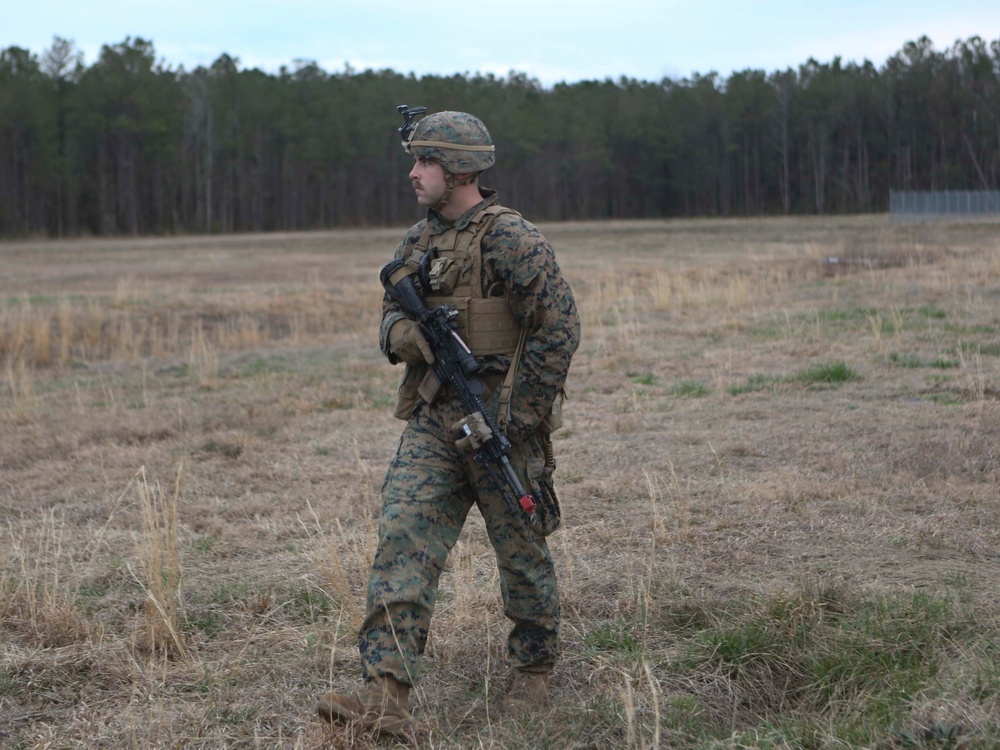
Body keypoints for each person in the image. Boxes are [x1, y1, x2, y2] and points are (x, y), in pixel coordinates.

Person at [317, 109, 580, 738]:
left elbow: (559, 330)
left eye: (424, 162)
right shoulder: (418, 241)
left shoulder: (512, 239)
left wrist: (515, 420)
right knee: (403, 537)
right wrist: (405, 332)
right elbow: (389, 311)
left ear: (457, 169)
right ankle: (386, 692)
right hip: (436, 420)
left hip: (502, 425)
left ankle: (533, 672)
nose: (413, 173)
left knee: (520, 547)